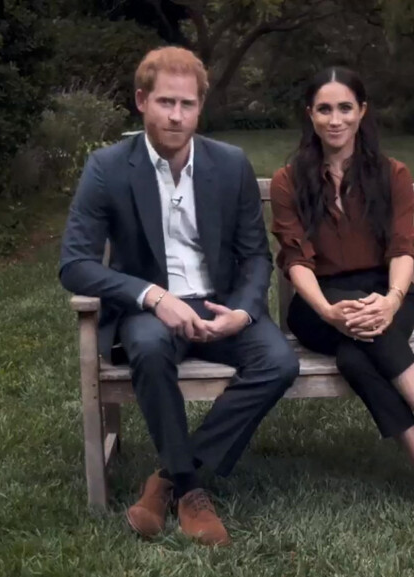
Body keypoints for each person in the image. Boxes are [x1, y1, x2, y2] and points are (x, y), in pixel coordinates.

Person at [60, 46, 299, 546]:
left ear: (199, 108)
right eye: (165, 102)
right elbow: (75, 264)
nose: (176, 115)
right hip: (152, 311)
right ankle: (191, 489)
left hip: (220, 304)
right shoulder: (107, 167)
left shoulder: (229, 164)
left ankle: (167, 477)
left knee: (278, 361)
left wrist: (242, 310)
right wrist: (150, 295)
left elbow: (255, 255)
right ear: (141, 100)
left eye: (187, 104)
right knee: (146, 347)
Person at [270, 66, 414, 528]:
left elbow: (402, 246)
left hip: (385, 293)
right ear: (310, 115)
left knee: (356, 356)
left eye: (345, 108)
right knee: (357, 336)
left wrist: (392, 298)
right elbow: (295, 260)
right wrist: (330, 312)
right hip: (318, 304)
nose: (335, 119)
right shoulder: (289, 180)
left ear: (362, 111)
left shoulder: (391, 174)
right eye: (325, 109)